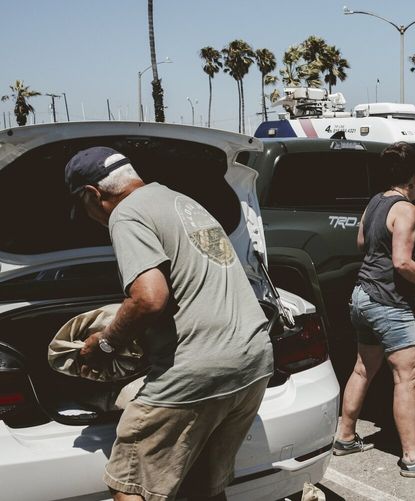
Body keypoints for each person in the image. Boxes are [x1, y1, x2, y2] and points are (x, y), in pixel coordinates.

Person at [65, 146, 274, 500]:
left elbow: (149, 297)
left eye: (83, 208)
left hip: (199, 371)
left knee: (132, 487)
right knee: (202, 485)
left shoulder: (126, 214)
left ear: (92, 194)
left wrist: (104, 344)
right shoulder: (182, 201)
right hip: (253, 361)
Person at [334, 142, 415, 478]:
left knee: (362, 369)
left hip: (362, 296)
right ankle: (412, 458)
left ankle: (344, 437)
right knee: (407, 377)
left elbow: (361, 243)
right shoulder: (406, 209)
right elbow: (402, 262)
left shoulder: (375, 202)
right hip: (388, 302)